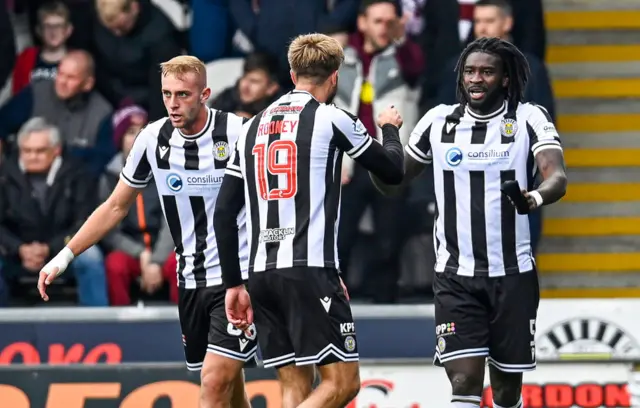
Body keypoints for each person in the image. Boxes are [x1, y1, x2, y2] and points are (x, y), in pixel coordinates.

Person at [36, 56, 257, 408]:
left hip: (237, 277)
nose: (173, 103)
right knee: (229, 392)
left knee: (213, 383)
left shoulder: (237, 132)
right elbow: (115, 206)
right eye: (167, 93)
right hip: (190, 280)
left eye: (183, 94)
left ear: (206, 94)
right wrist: (64, 257)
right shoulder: (152, 139)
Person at [372, 37, 568, 408]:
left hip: (513, 275)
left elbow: (556, 177)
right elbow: (392, 183)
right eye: (469, 72)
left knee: (507, 390)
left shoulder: (529, 118)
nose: (476, 79)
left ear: (506, 79)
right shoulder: (437, 121)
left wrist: (535, 197)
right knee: (464, 381)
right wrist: (389, 135)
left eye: (487, 72)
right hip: (455, 277)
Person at [213, 33, 405, 408]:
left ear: (291, 73)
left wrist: (234, 283)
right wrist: (390, 127)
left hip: (260, 273)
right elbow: (393, 171)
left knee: (294, 385)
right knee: (343, 384)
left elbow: (223, 213)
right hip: (308, 268)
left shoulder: (250, 128)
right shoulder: (333, 118)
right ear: (335, 77)